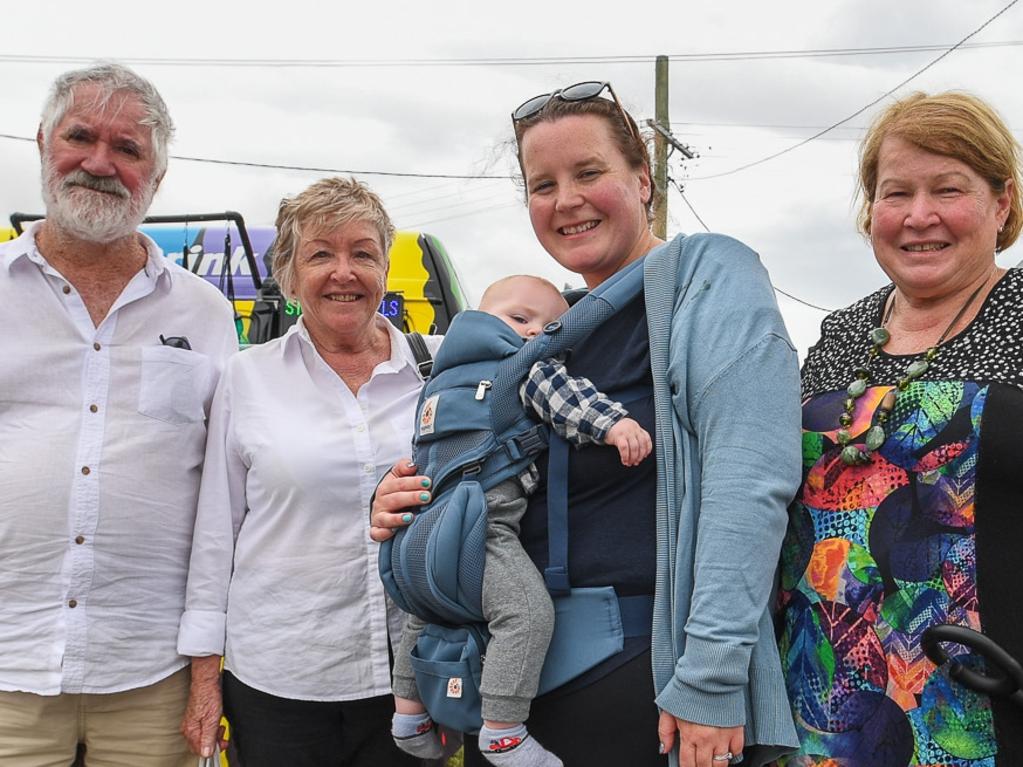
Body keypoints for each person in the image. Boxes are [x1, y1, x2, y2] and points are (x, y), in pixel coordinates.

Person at [371, 80, 803, 767]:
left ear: (643, 180)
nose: (565, 199)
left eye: (589, 172)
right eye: (543, 184)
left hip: (642, 686)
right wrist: (403, 501)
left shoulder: (705, 280)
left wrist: (711, 679)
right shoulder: (544, 333)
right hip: (513, 689)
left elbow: (748, 482)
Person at [0, 63, 237, 765]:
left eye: (128, 149)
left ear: (156, 177)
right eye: (81, 137)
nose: (100, 163)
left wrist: (205, 671)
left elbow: (220, 501)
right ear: (44, 142)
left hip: (152, 676)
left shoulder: (205, 312)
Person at [775, 91, 1023, 765]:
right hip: (824, 707)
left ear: (1001, 202)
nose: (919, 216)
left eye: (948, 189)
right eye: (895, 193)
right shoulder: (841, 335)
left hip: (984, 709)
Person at [177, 176, 440, 766]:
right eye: (321, 254)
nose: (343, 272)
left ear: (384, 270)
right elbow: (216, 536)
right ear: (289, 276)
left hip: (410, 674)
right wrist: (203, 678)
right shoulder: (246, 378)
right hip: (280, 675)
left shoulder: (439, 369)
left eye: (363, 254)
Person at [391, 274, 652, 767]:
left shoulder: (439, 380)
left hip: (421, 531)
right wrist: (617, 424)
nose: (534, 334)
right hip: (480, 531)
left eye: (551, 328)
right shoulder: (522, 366)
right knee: (526, 613)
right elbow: (569, 400)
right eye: (520, 319)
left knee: (424, 611)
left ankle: (408, 716)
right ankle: (503, 730)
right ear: (483, 321)